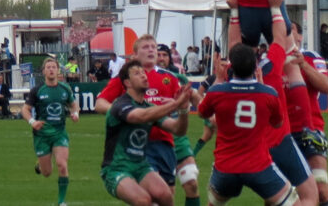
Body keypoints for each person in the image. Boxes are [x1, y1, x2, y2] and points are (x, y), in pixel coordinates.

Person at [198, 42, 297, 206]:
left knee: (214, 203)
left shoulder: (217, 92)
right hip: (258, 166)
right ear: (256, 67)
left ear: (231, 66)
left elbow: (202, 113)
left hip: (225, 167)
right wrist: (262, 86)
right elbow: (278, 123)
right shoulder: (268, 93)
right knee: (293, 202)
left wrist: (220, 78)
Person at [95, 36, 185, 202]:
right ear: (127, 83)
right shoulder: (122, 97)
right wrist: (114, 112)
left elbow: (178, 128)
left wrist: (184, 109)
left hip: (155, 151)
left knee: (166, 196)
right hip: (121, 163)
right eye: (146, 47)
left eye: (154, 47)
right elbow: (138, 116)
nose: (144, 76)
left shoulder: (165, 83)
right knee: (143, 200)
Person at [249, 0, 319, 206]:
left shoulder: (229, 83)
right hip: (281, 139)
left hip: (254, 146)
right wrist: (277, 8)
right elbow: (281, 38)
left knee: (275, 199)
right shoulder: (270, 68)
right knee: (311, 194)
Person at [22, 57, 79, 206]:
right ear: (43, 71)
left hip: (60, 133)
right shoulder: (37, 90)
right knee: (47, 173)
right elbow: (25, 109)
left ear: (58, 70)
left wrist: (75, 114)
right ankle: (40, 165)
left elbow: (74, 105)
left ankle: (61, 202)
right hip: (42, 135)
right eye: (48, 67)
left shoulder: (65, 88)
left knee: (62, 165)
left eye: (54, 67)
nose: (51, 69)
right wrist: (32, 122)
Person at [293, 23, 328, 206]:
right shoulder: (271, 60)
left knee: (321, 190)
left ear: (300, 37)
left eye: (291, 30)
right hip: (282, 135)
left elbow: (326, 87)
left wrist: (303, 64)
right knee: (281, 196)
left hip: (311, 131)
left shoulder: (311, 57)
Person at [157, 44, 203, 206]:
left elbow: (197, 100)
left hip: (178, 138)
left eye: (164, 55)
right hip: (157, 140)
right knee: (166, 195)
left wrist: (210, 115)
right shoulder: (144, 78)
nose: (161, 58)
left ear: (170, 58)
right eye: (158, 55)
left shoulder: (179, 79)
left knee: (191, 182)